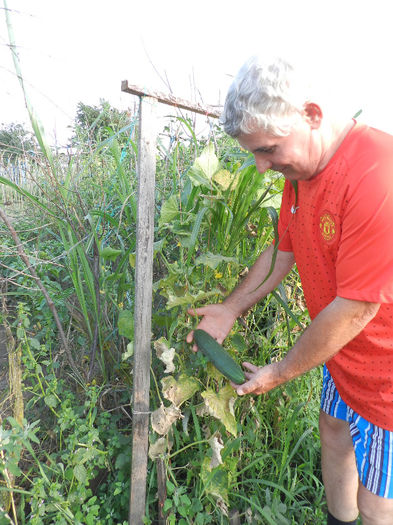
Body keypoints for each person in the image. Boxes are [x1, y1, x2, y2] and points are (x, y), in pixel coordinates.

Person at [186, 55, 393, 525]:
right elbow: (285, 250)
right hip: (341, 358)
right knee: (334, 433)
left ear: (312, 114)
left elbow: (355, 309)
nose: (261, 167)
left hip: (386, 375)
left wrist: (279, 371)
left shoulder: (377, 175)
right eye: (254, 153)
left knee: (377, 502)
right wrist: (231, 308)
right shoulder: (299, 175)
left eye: (269, 149)